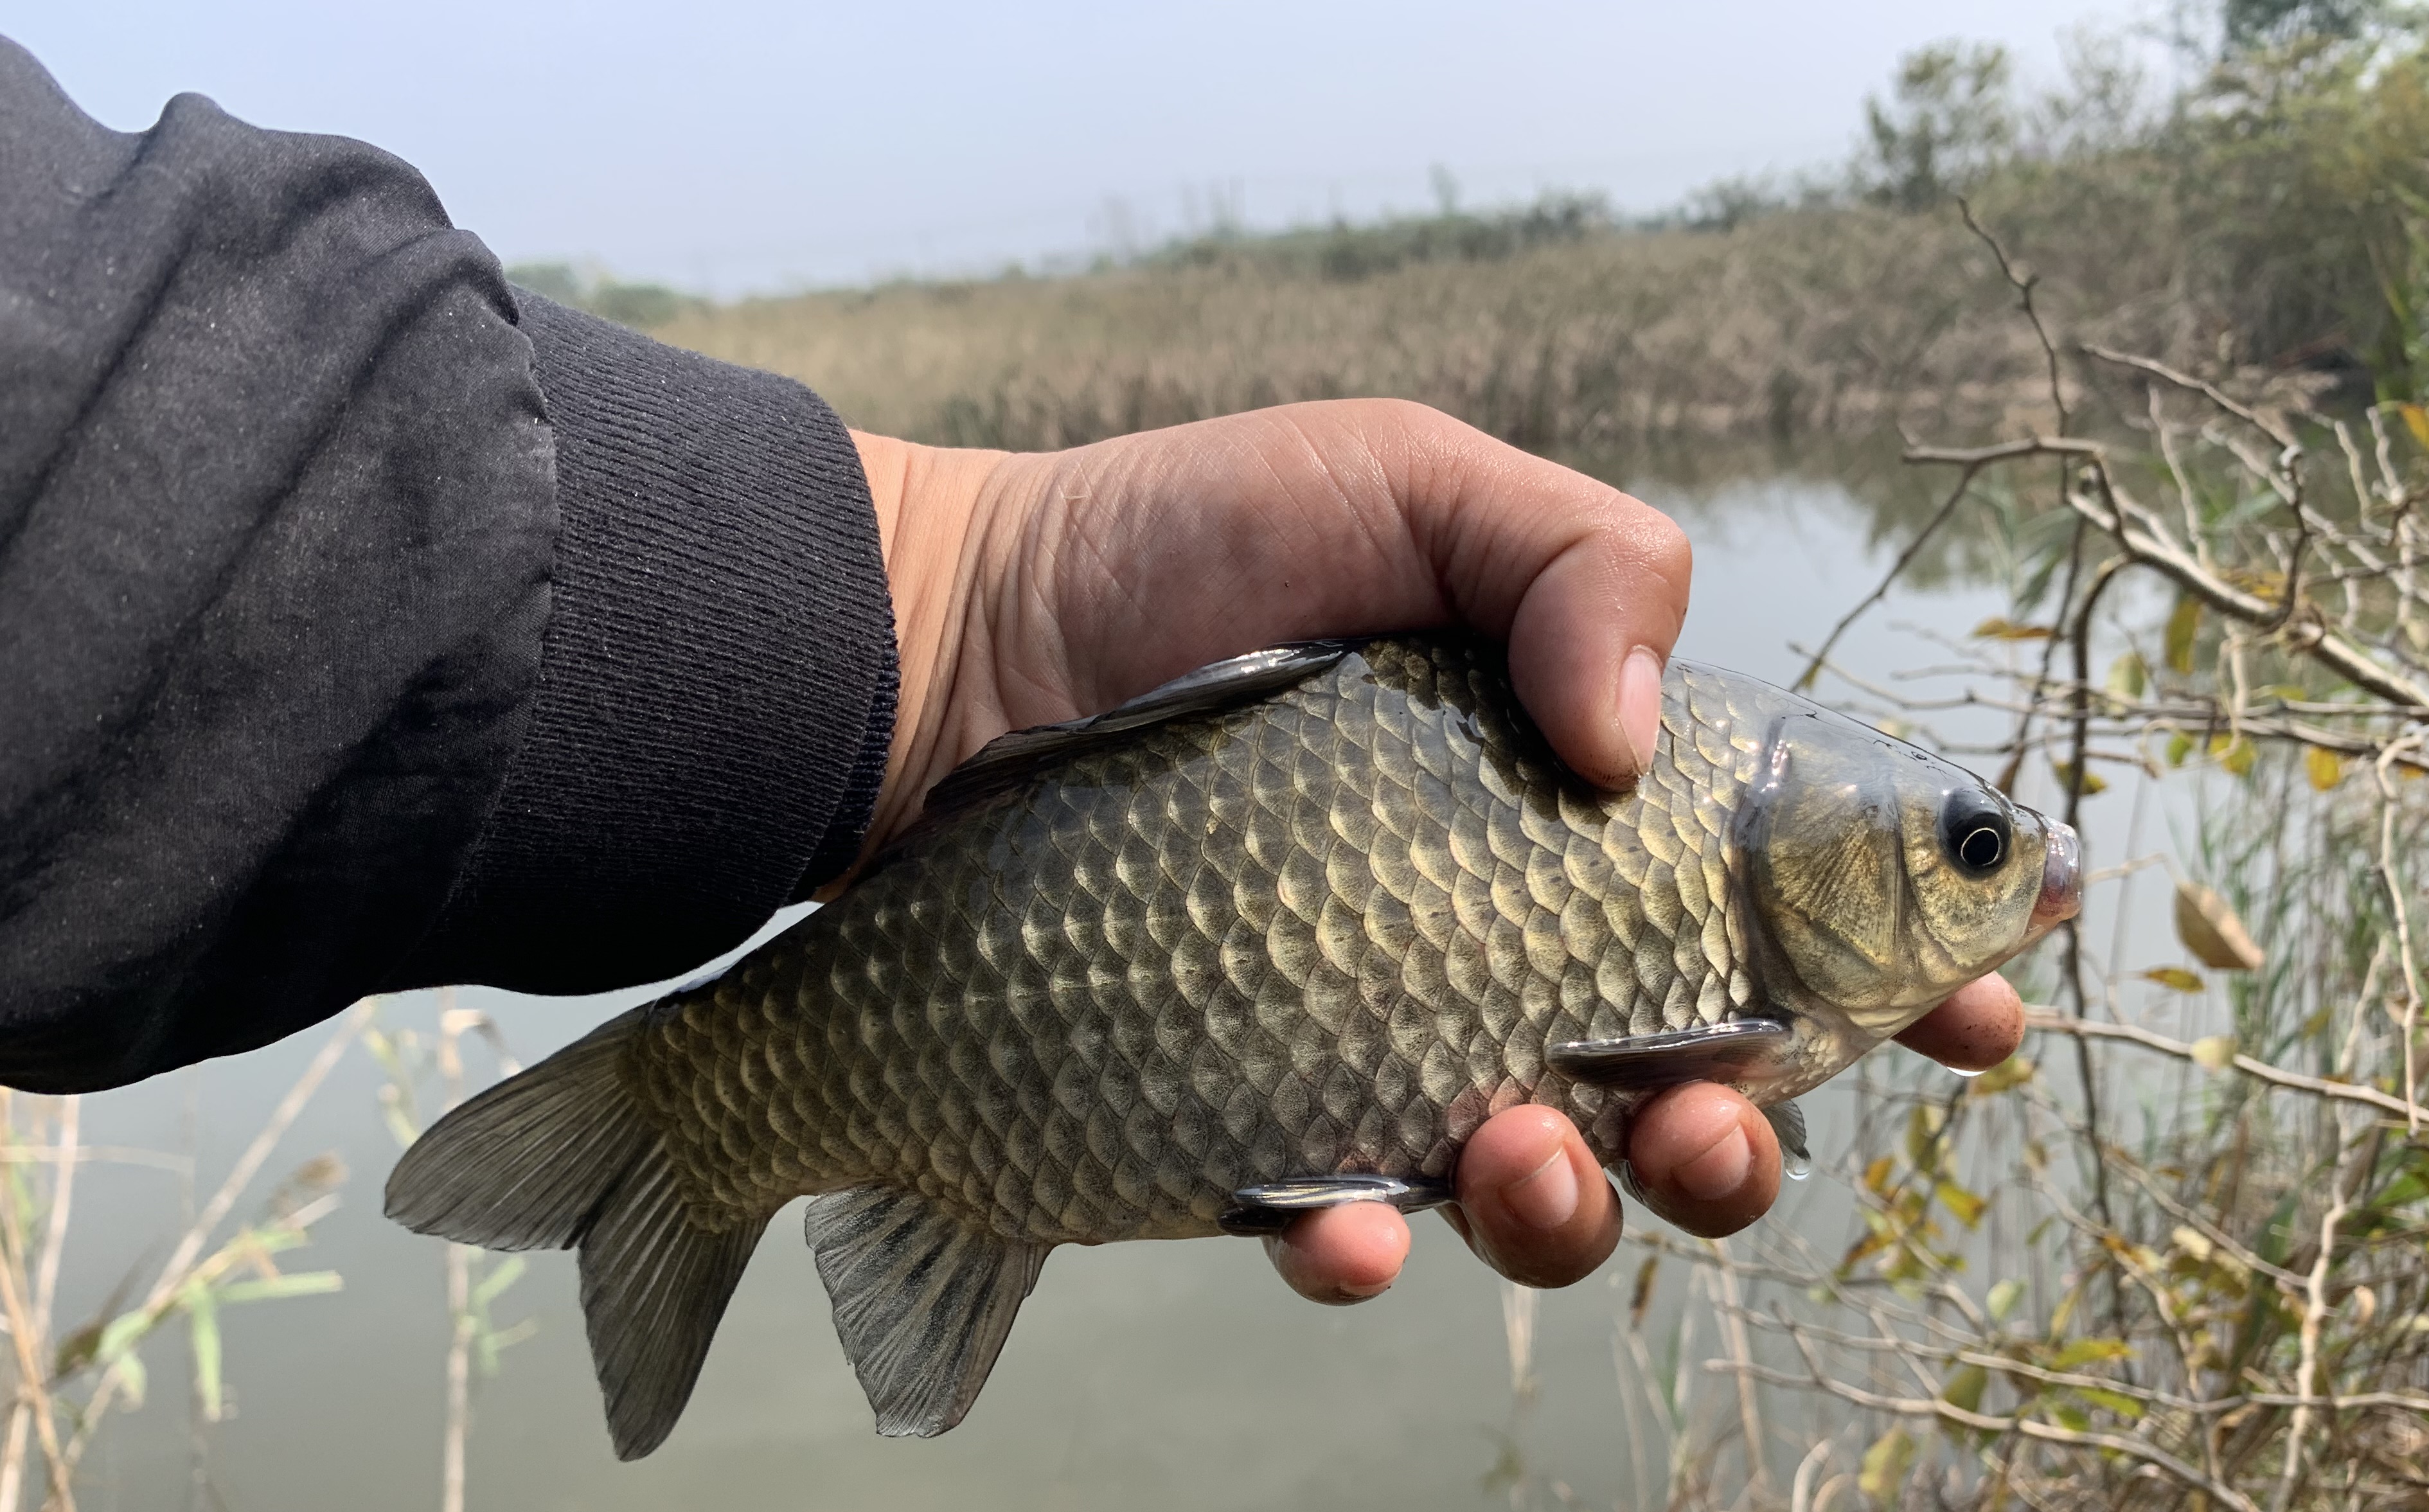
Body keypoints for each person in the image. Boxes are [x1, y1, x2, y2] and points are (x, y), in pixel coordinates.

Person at [0, 37, 2023, 1308]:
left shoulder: (1736, 899)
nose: (1989, 871)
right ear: (1822, 852)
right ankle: (714, 1122)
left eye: (1971, 846)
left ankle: (823, 1143)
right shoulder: (1717, 828)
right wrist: (933, 607)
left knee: (1389, 1181)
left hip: (1000, 889)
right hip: (1000, 892)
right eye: (1966, 847)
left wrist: (947, 600)